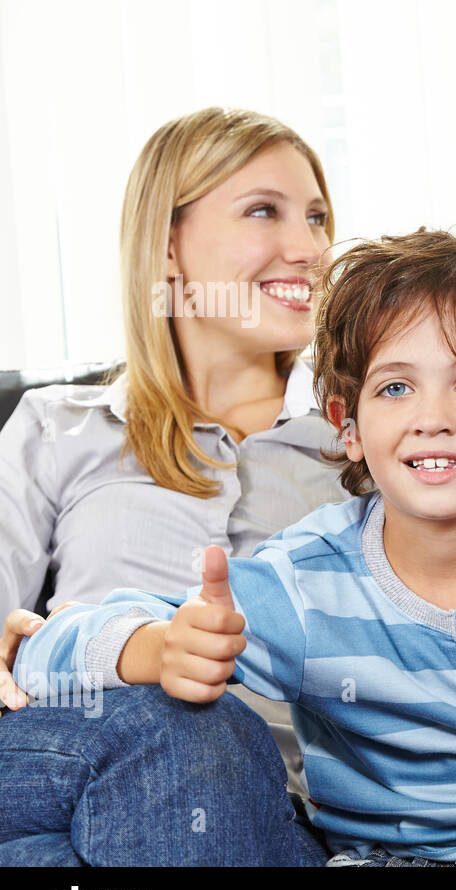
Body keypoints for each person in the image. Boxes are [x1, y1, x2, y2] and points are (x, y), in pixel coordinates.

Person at [14, 227, 456, 866]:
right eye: (396, 388)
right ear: (349, 428)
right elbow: (49, 652)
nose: (432, 417)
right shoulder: (307, 582)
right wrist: (163, 648)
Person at [0, 107, 350, 830]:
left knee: (200, 737)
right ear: (167, 247)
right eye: (264, 211)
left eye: (317, 219)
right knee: (172, 725)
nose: (309, 248)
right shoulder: (62, 425)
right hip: (72, 759)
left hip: (281, 808)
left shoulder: (365, 435)